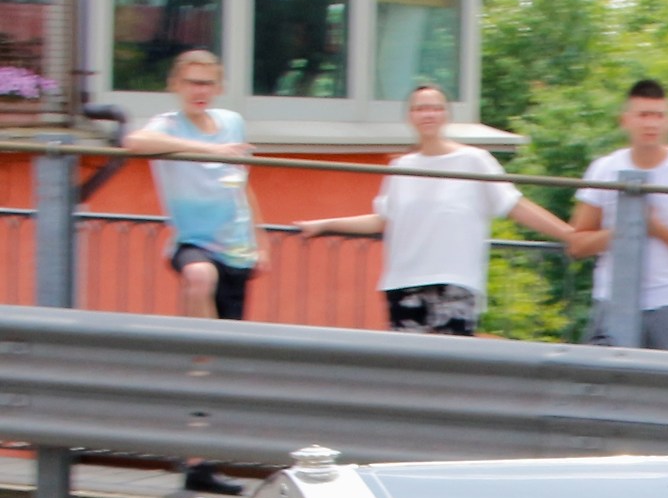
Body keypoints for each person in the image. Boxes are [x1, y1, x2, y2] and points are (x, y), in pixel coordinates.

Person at [297, 84, 575, 335]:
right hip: (403, 282)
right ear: (410, 116)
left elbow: (514, 204)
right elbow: (384, 220)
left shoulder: (474, 160)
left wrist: (568, 234)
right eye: (420, 108)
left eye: (435, 108)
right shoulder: (400, 167)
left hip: (455, 281)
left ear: (446, 115)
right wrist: (325, 224)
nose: (428, 114)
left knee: (450, 368)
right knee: (407, 370)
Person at [565, 79, 668, 352]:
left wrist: (656, 228)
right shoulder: (604, 169)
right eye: (643, 115)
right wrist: (627, 227)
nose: (651, 124)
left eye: (659, 116)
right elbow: (577, 244)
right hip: (611, 299)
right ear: (625, 120)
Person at [126, 50, 265, 323]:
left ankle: (209, 357)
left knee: (230, 331)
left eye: (206, 84)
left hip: (236, 248)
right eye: (191, 82)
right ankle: (200, 358)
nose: (198, 91)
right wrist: (209, 148)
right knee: (200, 276)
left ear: (218, 88)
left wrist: (261, 242)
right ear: (175, 85)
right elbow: (135, 142)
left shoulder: (232, 121)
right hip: (192, 243)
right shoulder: (168, 124)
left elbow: (242, 186)